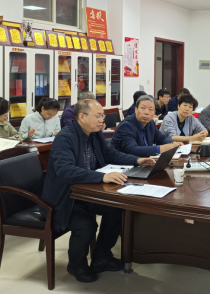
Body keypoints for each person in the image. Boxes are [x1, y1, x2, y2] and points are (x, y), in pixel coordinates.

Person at [40, 99, 156, 283]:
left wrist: (137, 160)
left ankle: (101, 257)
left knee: (116, 209)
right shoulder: (65, 137)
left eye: (103, 116)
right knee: (86, 225)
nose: (103, 120)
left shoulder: (94, 133)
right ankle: (76, 265)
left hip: (86, 192)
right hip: (64, 198)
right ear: (82, 117)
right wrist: (102, 177)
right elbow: (65, 170)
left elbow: (110, 154)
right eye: (98, 116)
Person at [112, 95, 181, 157]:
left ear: (154, 112)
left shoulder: (150, 123)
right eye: (143, 108)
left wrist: (172, 142)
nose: (146, 112)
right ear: (136, 109)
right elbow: (132, 149)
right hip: (125, 164)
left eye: (150, 109)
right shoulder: (126, 126)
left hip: (145, 162)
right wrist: (160, 148)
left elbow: (160, 138)